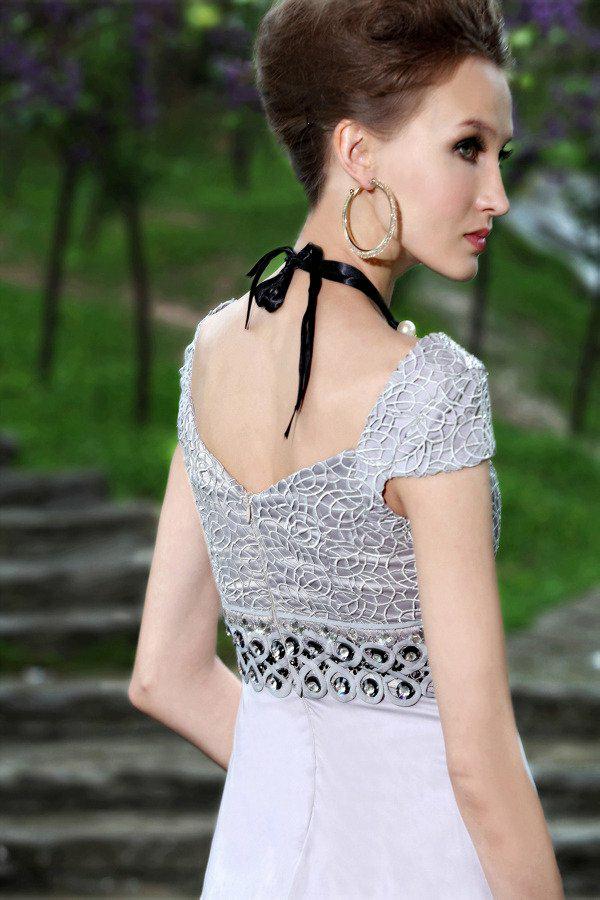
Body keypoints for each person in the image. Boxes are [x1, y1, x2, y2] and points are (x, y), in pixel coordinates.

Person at [128, 0, 564, 896]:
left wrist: (303, 799)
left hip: (258, 865)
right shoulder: (429, 389)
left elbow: (164, 677)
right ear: (358, 152)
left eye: (500, 154)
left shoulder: (211, 352)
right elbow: (479, 760)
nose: (497, 195)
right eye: (467, 147)